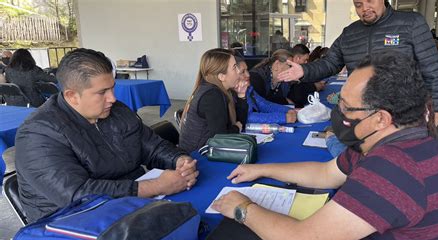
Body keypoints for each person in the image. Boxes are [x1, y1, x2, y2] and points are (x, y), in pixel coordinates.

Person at [212, 51, 438, 240]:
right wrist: (263, 170)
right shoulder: (395, 141)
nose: (339, 114)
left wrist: (241, 208)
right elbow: (326, 173)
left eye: (346, 107)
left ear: (381, 118)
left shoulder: (395, 166)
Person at [15, 48, 198, 222]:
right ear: (72, 96)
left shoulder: (116, 111)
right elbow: (78, 195)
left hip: (130, 207)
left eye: (112, 88)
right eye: (102, 92)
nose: (112, 98)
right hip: (70, 225)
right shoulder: (38, 134)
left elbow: (152, 146)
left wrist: (178, 160)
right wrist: (156, 186)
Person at [278, 0, 438, 125]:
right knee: (366, 164)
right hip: (363, 114)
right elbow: (330, 63)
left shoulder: (411, 23)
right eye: (358, 4)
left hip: (405, 114)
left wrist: (436, 109)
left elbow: (432, 69)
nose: (365, 8)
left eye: (370, 1)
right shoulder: (350, 33)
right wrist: (304, 71)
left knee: (401, 165)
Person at [179, 48, 245, 152]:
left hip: (204, 152)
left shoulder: (217, 89)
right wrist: (236, 128)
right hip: (197, 158)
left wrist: (241, 95)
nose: (238, 72)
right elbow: (221, 139)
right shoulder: (212, 96)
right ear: (221, 76)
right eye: (234, 67)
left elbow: (240, 122)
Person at [232, 55, 297, 125]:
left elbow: (264, 105)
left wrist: (288, 110)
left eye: (247, 70)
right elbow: (247, 117)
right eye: (242, 72)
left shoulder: (247, 88)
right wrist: (284, 117)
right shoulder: (232, 94)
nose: (248, 74)